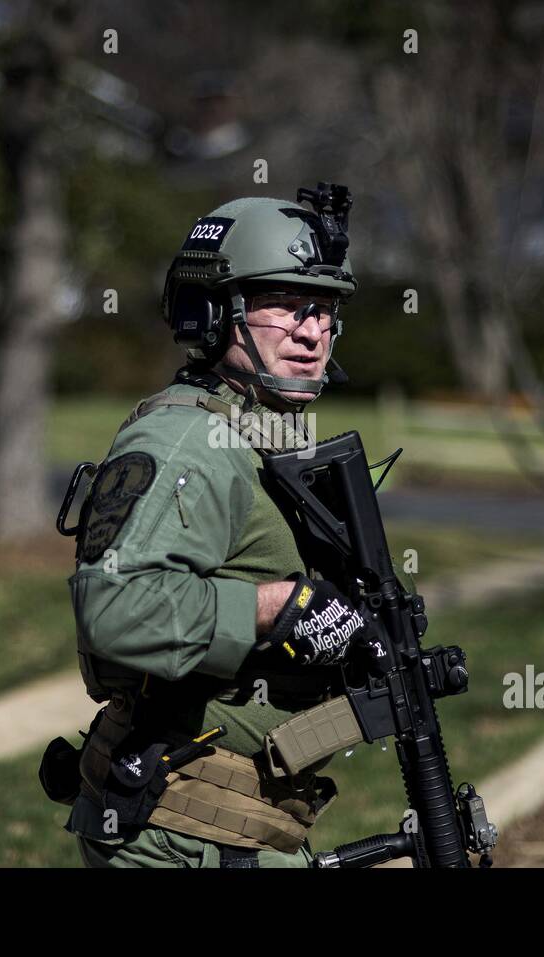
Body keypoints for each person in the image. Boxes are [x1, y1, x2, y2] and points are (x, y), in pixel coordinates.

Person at [50, 182, 376, 868]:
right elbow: (113, 608)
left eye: (324, 309)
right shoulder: (183, 442)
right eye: (287, 305)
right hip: (181, 828)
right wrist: (275, 606)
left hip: (234, 822)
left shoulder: (255, 431)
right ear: (216, 312)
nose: (313, 330)